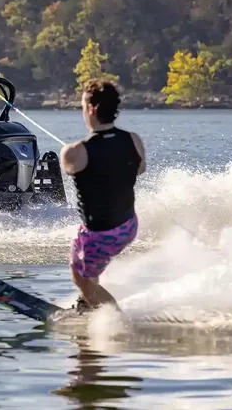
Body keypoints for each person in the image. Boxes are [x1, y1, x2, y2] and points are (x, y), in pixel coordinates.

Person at [59, 79, 146, 313]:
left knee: (81, 278)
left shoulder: (74, 152)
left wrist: (74, 150)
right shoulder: (134, 140)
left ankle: (114, 319)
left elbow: (69, 167)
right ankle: (86, 304)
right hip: (127, 226)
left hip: (101, 234)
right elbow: (140, 168)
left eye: (82, 107)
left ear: (92, 109)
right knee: (82, 259)